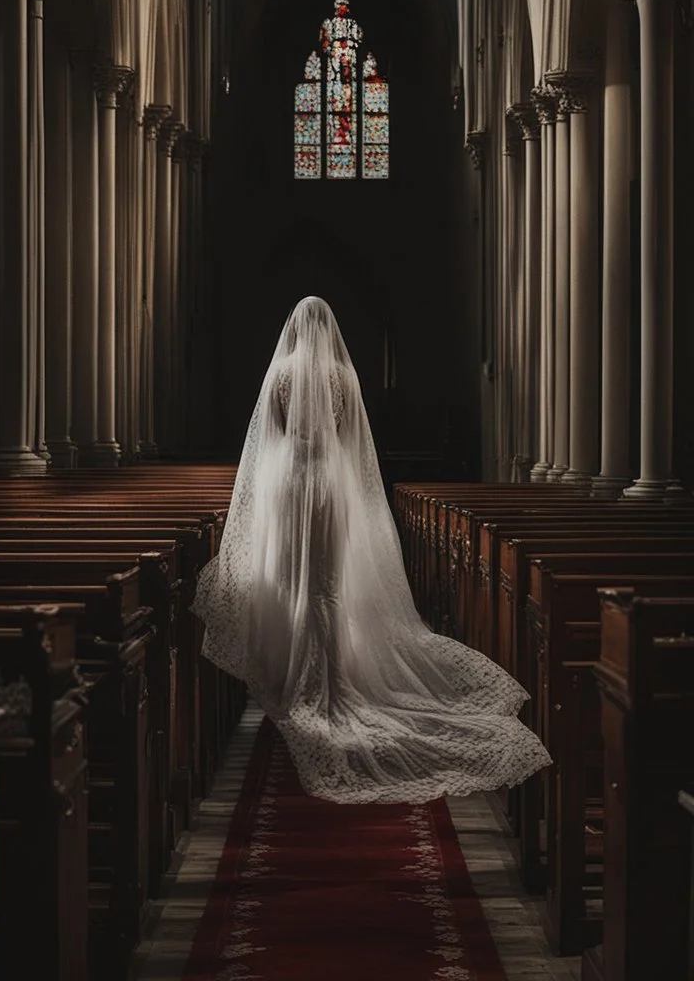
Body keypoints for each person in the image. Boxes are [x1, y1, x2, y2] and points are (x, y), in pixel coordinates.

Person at [192, 295, 552, 804]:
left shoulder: (281, 374)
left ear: (294, 328)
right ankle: (332, 678)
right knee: (326, 583)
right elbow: (348, 437)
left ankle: (295, 679)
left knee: (290, 580)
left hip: (290, 481)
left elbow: (269, 436)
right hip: (330, 485)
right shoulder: (343, 374)